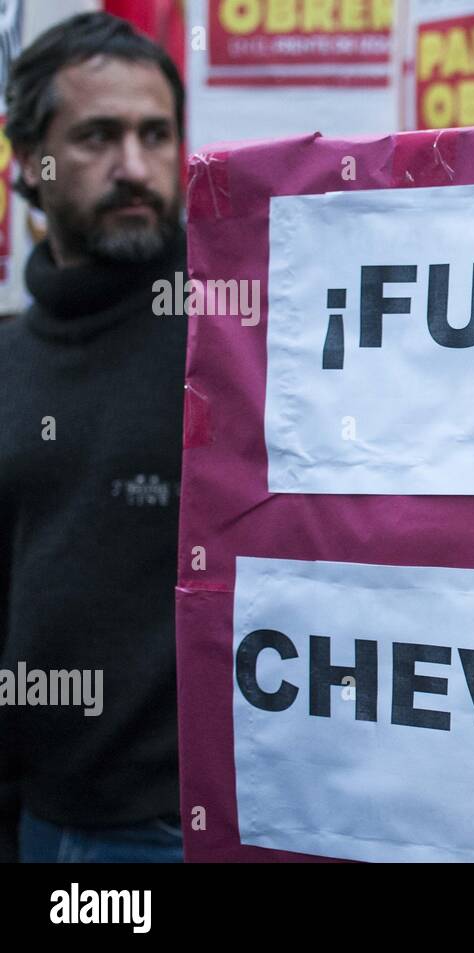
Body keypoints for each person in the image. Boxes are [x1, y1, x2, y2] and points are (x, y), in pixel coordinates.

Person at [0, 13, 187, 862]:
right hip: (39, 826)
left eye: (156, 135)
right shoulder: (8, 358)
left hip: (189, 832)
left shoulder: (239, 342)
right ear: (26, 167)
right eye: (97, 137)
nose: (136, 168)